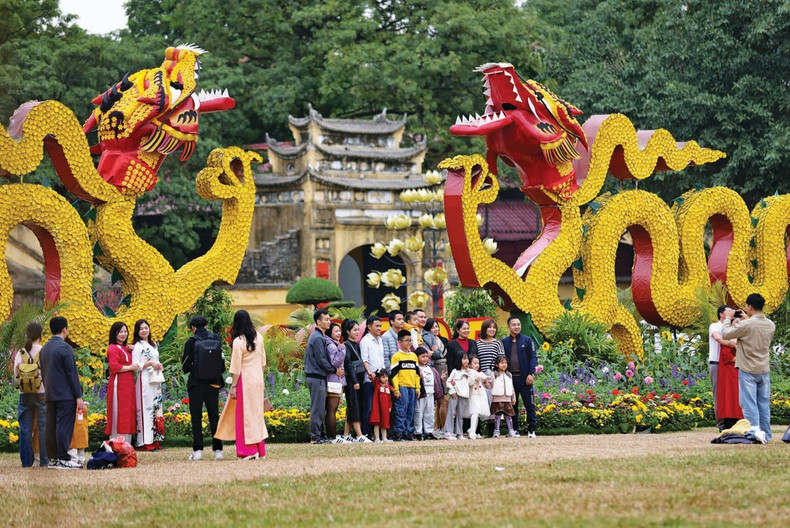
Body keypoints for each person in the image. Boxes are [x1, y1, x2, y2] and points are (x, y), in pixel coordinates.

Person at [721, 294, 776, 443]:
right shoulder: (770, 324)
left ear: (750, 307)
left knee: (749, 403)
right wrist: (746, 319)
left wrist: (727, 318)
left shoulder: (747, 325)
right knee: (764, 404)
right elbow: (756, 334)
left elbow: (725, 334)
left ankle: (755, 434)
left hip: (748, 369)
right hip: (763, 368)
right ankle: (767, 435)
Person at [216, 310, 267, 460]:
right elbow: (263, 362)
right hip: (258, 379)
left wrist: (233, 386)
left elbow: (236, 367)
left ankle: (249, 451)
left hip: (245, 381)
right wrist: (260, 378)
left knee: (244, 417)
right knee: (256, 415)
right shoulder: (260, 337)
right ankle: (260, 450)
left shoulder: (238, 341)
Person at [39, 316, 83, 469]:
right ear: (65, 329)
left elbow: (43, 372)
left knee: (50, 426)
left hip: (50, 393)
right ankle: (64, 458)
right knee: (64, 426)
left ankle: (53, 459)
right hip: (66, 394)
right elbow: (72, 373)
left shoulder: (44, 348)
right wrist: (78, 397)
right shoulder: (65, 348)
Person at [182, 314, 225, 460]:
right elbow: (222, 363)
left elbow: (185, 367)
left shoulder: (191, 341)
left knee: (196, 416)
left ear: (193, 328)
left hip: (196, 384)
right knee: (214, 415)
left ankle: (198, 451)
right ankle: (218, 450)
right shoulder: (216, 339)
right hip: (213, 382)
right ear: (206, 326)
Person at [13, 322, 48, 467]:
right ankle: (45, 462)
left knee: (25, 429)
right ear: (41, 334)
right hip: (41, 393)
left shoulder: (21, 352)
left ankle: (26, 462)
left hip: (24, 394)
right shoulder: (44, 351)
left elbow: (16, 374)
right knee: (43, 428)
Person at [304, 309, 337, 444]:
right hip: (316, 376)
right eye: (326, 319)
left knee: (320, 407)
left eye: (329, 319)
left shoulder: (318, 336)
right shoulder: (317, 337)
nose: (329, 322)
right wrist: (334, 369)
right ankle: (315, 437)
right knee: (317, 408)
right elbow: (321, 359)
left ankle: (319, 435)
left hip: (318, 376)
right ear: (318, 322)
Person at [501, 316, 538, 438]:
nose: (517, 327)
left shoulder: (527, 340)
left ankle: (531, 429)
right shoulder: (504, 342)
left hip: (525, 378)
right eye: (514, 324)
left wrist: (531, 373)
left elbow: (533, 357)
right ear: (508, 327)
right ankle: (514, 429)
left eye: (518, 324)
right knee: (513, 405)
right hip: (511, 379)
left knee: (529, 405)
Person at [131, 319, 164, 450]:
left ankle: (155, 439)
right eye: (141, 328)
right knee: (145, 408)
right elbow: (135, 365)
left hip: (155, 380)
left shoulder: (154, 344)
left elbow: (156, 360)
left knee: (156, 407)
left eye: (146, 328)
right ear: (137, 331)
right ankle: (144, 441)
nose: (144, 330)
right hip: (144, 379)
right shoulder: (137, 347)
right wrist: (149, 364)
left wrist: (158, 365)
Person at [105, 321, 136, 443]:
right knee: (119, 410)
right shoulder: (112, 348)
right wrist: (130, 368)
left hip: (128, 383)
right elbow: (114, 366)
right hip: (119, 383)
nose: (123, 334)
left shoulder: (125, 348)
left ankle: (126, 442)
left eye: (125, 331)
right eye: (120, 332)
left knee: (128, 410)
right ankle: (116, 441)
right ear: (114, 333)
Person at [341, 319, 370, 442]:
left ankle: (346, 434)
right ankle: (359, 435)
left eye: (358, 329)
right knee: (354, 405)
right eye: (355, 330)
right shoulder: (346, 345)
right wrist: (355, 381)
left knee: (352, 406)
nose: (358, 332)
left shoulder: (357, 345)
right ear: (348, 331)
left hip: (359, 378)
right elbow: (348, 365)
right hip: (352, 380)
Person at [709, 306, 736, 431]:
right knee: (718, 394)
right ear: (721, 314)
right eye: (728, 311)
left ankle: (732, 421)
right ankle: (721, 424)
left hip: (729, 365)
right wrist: (732, 343)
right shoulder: (714, 326)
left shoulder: (732, 327)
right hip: (716, 363)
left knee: (730, 393)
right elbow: (718, 338)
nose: (731, 313)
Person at [390, 330, 420, 441]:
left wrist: (418, 387)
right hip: (402, 387)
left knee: (411, 411)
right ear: (400, 342)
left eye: (410, 341)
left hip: (412, 387)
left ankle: (409, 432)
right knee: (400, 410)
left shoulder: (413, 356)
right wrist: (396, 389)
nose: (409, 343)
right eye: (406, 341)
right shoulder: (396, 356)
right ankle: (399, 432)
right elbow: (394, 375)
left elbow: (417, 374)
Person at [359, 315, 384, 439]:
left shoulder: (380, 340)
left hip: (381, 379)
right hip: (370, 379)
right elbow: (365, 359)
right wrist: (369, 372)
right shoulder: (365, 341)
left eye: (380, 325)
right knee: (368, 407)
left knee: (379, 407)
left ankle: (377, 434)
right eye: (377, 326)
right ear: (369, 327)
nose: (379, 328)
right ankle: (365, 433)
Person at [717, 320, 743, 431]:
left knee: (740, 395)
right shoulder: (726, 338)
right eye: (735, 322)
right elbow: (727, 356)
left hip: (741, 370)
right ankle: (729, 422)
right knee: (729, 395)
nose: (737, 324)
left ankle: (742, 421)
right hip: (729, 371)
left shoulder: (744, 337)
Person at [413, 346, 444, 440]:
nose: (425, 358)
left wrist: (440, 378)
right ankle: (418, 432)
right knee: (419, 412)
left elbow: (435, 380)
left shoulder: (431, 369)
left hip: (430, 393)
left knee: (429, 413)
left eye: (427, 356)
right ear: (417, 357)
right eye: (423, 356)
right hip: (421, 394)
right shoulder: (416, 368)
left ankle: (428, 431)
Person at [324, 322, 347, 443]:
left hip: (333, 380)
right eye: (336, 331)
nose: (339, 333)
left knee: (331, 410)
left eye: (339, 331)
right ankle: (333, 437)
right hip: (333, 381)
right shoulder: (332, 345)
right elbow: (335, 362)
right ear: (330, 333)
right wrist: (342, 349)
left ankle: (331, 436)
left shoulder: (332, 343)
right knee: (332, 410)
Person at [443, 353, 471, 440]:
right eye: (464, 359)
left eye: (467, 359)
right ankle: (448, 432)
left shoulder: (468, 372)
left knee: (460, 415)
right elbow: (448, 381)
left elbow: (471, 383)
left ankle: (459, 433)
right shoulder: (455, 371)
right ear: (459, 360)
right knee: (451, 413)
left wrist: (469, 373)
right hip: (455, 394)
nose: (466, 361)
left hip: (464, 395)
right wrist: (452, 391)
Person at [490, 356, 517, 438]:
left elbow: (511, 387)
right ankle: (496, 431)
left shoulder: (509, 374)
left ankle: (511, 431)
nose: (504, 365)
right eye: (502, 363)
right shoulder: (494, 374)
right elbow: (489, 385)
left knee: (509, 415)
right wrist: (485, 382)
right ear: (497, 365)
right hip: (497, 398)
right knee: (497, 415)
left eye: (505, 363)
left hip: (507, 398)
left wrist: (513, 397)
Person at [369, 370, 393, 442]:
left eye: (386, 377)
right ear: (379, 378)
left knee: (384, 422)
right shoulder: (377, 385)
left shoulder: (388, 387)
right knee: (377, 422)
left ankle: (384, 438)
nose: (385, 379)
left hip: (385, 408)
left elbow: (389, 398)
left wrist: (390, 406)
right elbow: (373, 379)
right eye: (383, 377)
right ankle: (377, 438)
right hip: (377, 407)